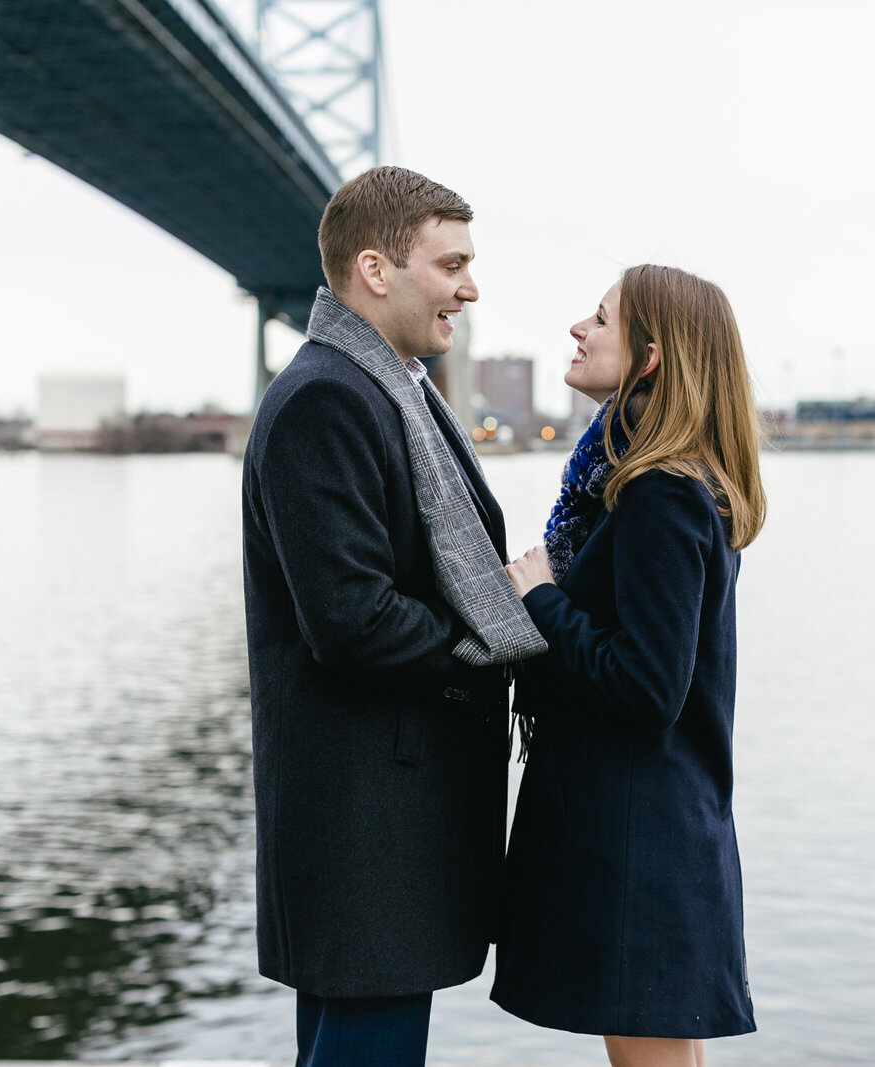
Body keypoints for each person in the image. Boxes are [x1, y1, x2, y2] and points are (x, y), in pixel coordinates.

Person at [241, 166, 546, 1067]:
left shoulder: (392, 385)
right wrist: (492, 644)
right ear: (376, 269)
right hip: (363, 822)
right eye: (450, 263)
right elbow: (352, 619)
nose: (470, 286)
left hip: (383, 815)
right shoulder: (330, 397)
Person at [492, 265, 767, 1067]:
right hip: (656, 829)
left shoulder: (660, 494)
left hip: (640, 843)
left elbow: (649, 687)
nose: (579, 328)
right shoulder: (656, 483)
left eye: (601, 319)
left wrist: (540, 595)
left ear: (649, 357)